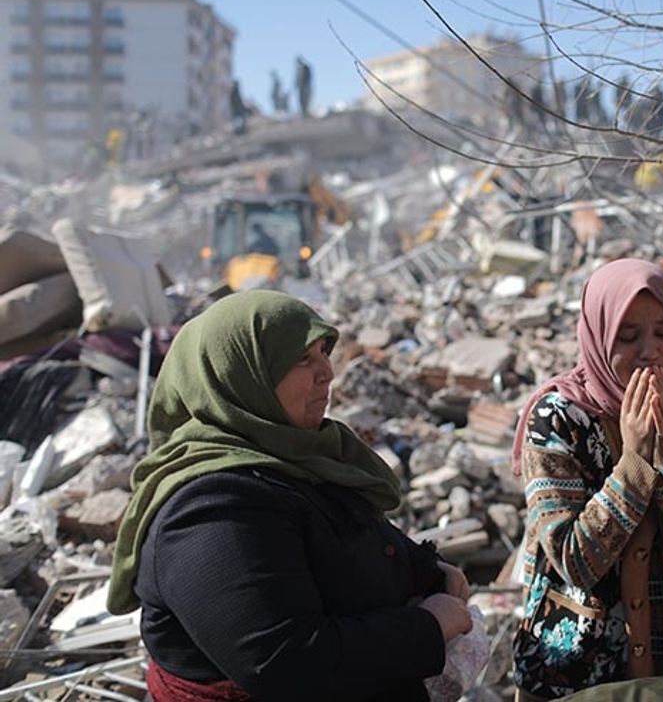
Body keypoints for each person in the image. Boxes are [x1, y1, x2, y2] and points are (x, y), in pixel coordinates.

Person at [107, 290, 473, 701]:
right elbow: (283, 660)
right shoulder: (209, 511)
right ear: (240, 375)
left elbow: (345, 542)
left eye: (324, 352)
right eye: (302, 358)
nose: (327, 373)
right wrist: (429, 626)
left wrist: (429, 570)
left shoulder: (295, 457)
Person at [511, 258, 663, 700]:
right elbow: (575, 561)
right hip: (575, 673)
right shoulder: (558, 419)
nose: (650, 351)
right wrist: (635, 462)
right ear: (599, 335)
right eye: (628, 336)